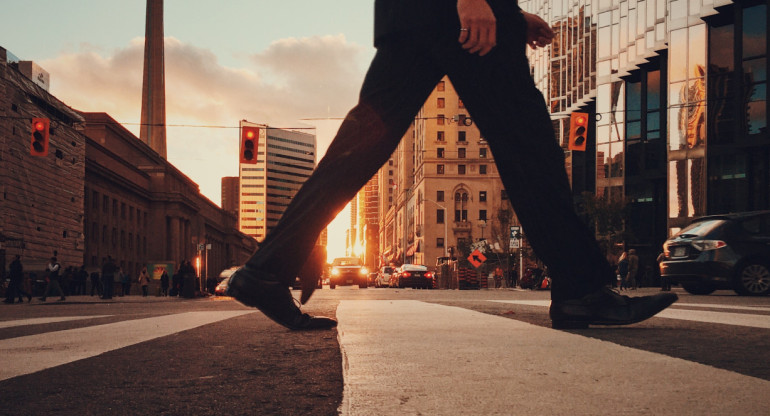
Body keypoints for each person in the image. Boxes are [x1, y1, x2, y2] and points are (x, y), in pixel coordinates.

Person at [225, 0, 678, 330]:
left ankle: (266, 269)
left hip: (415, 16)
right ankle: (581, 289)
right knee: (531, 149)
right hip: (453, 17)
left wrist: (509, 15)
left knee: (358, 147)